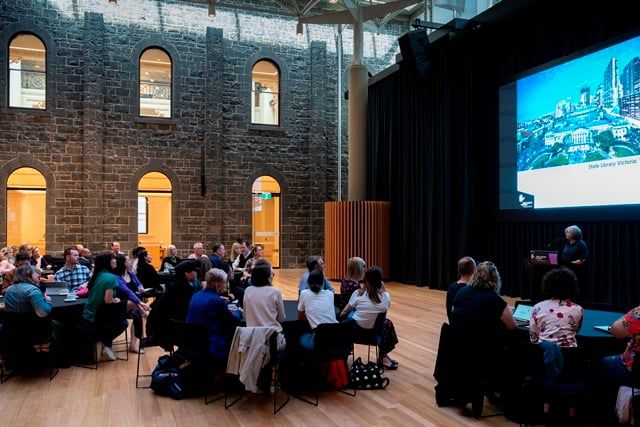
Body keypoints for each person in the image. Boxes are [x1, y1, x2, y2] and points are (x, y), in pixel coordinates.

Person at [340, 266, 399, 370]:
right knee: (386, 323)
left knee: (348, 318)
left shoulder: (357, 293)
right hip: (374, 335)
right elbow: (383, 307)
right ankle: (383, 355)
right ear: (380, 281)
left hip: (355, 334)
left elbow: (344, 312)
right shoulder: (385, 297)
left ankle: (343, 354)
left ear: (365, 280)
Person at [186, 268, 242, 364]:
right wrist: (239, 311)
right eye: (224, 283)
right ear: (217, 285)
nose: (225, 287)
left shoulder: (196, 295)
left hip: (192, 340)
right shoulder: (217, 301)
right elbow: (233, 320)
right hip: (211, 342)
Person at [81, 252, 128, 362]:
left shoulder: (96, 275)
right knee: (124, 322)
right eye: (113, 259)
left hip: (88, 315)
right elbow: (108, 301)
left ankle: (104, 344)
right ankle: (104, 343)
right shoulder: (111, 278)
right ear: (107, 262)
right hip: (99, 318)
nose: (115, 260)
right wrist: (115, 300)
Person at [450, 261, 517, 333]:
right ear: (495, 278)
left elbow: (454, 315)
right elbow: (513, 326)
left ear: (474, 275)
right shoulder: (494, 299)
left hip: (457, 340)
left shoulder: (461, 291)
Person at [146, 260, 198, 348]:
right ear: (186, 273)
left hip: (160, 327)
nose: (196, 273)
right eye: (194, 271)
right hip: (166, 330)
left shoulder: (176, 284)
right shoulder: (184, 288)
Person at [530, 267, 584, 348]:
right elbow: (576, 330)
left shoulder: (537, 307)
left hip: (543, 354)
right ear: (572, 287)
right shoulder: (578, 309)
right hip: (570, 356)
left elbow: (533, 338)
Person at [243, 259, 286, 350]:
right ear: (267, 277)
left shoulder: (248, 290)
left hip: (252, 338)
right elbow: (281, 318)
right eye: (271, 274)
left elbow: (245, 316)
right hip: (272, 337)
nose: (272, 276)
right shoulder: (275, 292)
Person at [113, 254, 151, 353]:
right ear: (123, 263)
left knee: (136, 314)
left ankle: (134, 345)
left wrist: (140, 287)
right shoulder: (116, 277)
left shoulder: (130, 273)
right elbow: (126, 292)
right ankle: (148, 317)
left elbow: (139, 283)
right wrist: (140, 303)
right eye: (128, 260)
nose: (130, 262)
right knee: (138, 310)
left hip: (134, 304)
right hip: (120, 304)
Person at [298, 270, 337, 351]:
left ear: (308, 281)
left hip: (318, 340)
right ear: (323, 282)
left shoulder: (304, 293)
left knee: (302, 338)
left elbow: (301, 317)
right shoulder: (330, 294)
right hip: (335, 338)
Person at [446, 256, 476, 321]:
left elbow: (449, 311)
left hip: (453, 324)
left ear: (458, 270)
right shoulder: (471, 289)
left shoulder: (452, 286)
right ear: (474, 270)